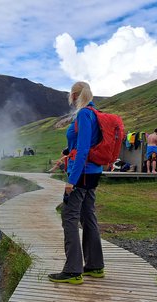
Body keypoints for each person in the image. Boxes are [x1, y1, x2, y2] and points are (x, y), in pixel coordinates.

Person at [48, 81, 104, 285]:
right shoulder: (95, 112)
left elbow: (83, 150)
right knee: (88, 215)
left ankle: (73, 270)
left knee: (69, 216)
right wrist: (66, 152)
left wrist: (71, 181)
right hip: (93, 172)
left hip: (82, 173)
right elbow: (82, 144)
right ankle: (95, 266)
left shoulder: (83, 114)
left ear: (74, 95)